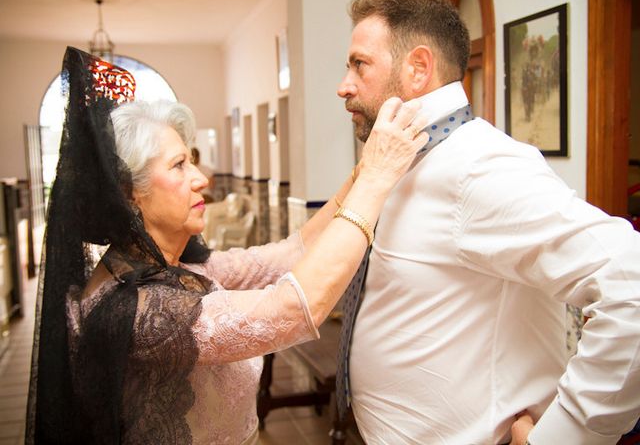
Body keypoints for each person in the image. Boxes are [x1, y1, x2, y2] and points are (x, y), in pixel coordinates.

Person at [25, 47, 428, 444]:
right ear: (131, 194)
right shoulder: (142, 309)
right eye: (179, 166)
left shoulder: (165, 266)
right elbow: (287, 310)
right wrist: (376, 181)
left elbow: (288, 254)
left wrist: (361, 174)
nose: (201, 178)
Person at [336, 0, 640, 445]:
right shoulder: (398, 159)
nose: (345, 85)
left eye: (359, 64)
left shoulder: (479, 168)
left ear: (418, 68)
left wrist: (567, 436)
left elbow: (631, 280)